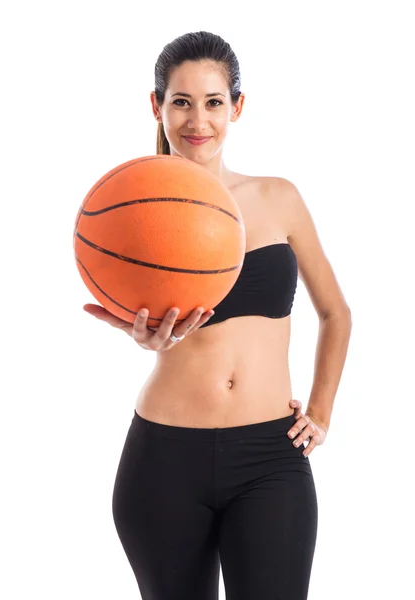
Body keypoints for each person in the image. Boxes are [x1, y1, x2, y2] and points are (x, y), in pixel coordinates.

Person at [83, 31, 352, 600]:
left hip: (270, 459)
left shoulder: (278, 198)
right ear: (157, 106)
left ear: (237, 106)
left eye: (212, 101)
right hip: (163, 460)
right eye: (180, 101)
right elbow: (134, 306)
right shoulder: (134, 214)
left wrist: (321, 412)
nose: (197, 119)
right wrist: (148, 338)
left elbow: (336, 313)